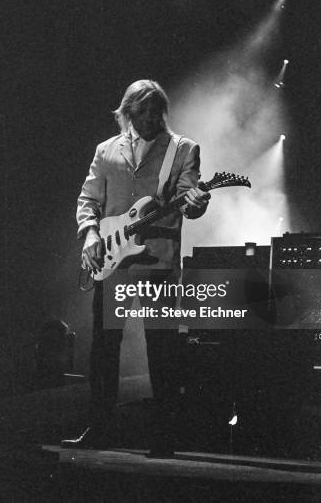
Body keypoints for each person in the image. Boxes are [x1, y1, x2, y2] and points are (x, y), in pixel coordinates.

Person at [63, 79, 210, 456]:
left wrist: (196, 203)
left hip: (157, 263)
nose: (149, 119)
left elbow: (188, 201)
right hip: (113, 263)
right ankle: (99, 427)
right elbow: (88, 199)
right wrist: (91, 235)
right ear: (128, 112)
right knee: (104, 348)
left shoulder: (182, 149)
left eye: (154, 112)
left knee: (161, 348)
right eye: (141, 112)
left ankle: (164, 437)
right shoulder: (106, 150)